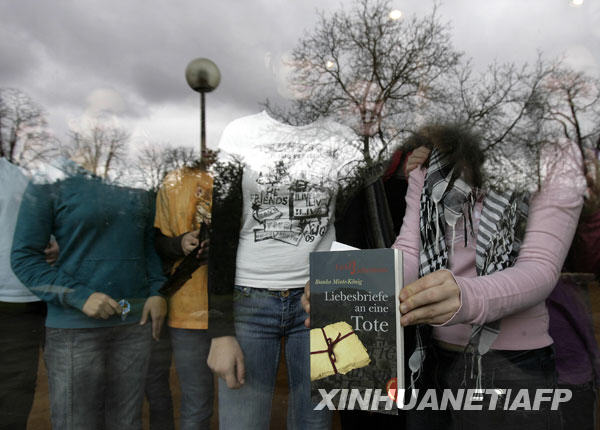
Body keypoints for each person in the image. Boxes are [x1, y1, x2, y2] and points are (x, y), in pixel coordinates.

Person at [393, 125, 586, 429]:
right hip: (432, 358)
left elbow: (540, 267)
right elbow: (408, 251)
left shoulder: (555, 156)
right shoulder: (430, 163)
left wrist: (464, 296)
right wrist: (360, 285)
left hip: (514, 366)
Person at [207, 110, 361, 430]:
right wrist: (220, 331)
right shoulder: (240, 131)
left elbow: (353, 227)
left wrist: (341, 293)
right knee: (242, 424)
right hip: (248, 300)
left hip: (318, 300)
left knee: (314, 423)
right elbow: (221, 232)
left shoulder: (342, 136)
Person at [11, 159, 167, 430]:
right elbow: (24, 258)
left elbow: (147, 245)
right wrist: (78, 296)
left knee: (127, 423)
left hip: (133, 325)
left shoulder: (136, 178)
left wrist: (157, 291)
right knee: (76, 424)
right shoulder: (51, 178)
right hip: (74, 331)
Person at [153, 155, 214, 430]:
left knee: (241, 396)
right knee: (196, 402)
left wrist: (222, 247)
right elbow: (157, 242)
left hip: (236, 307)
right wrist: (180, 244)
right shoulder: (173, 181)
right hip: (187, 309)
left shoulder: (236, 175)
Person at [0, 157, 58, 430]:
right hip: (16, 300)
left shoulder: (20, 178)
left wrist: (57, 245)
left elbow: (50, 226)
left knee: (16, 390)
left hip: (23, 299)